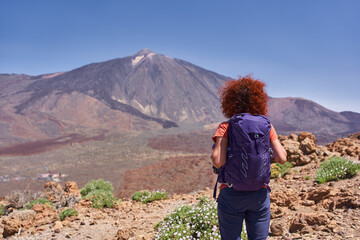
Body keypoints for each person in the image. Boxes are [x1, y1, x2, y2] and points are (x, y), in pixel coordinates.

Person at [211, 75, 287, 240]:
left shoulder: (226, 126)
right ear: (258, 100)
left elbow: (218, 160)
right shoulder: (267, 125)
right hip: (259, 194)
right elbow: (281, 158)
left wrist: (217, 148)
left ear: (231, 102)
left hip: (231, 193)